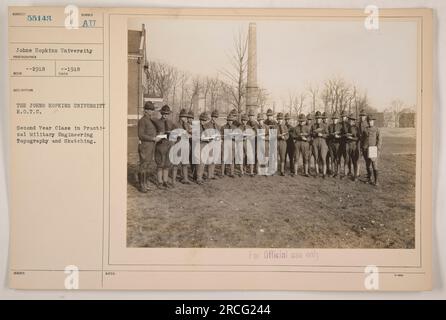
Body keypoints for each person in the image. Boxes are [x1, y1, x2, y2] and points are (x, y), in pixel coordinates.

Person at [153, 105, 176, 189]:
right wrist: (160, 134)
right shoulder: (157, 122)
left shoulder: (171, 123)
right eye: (164, 113)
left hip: (168, 145)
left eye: (167, 113)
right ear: (161, 113)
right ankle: (160, 182)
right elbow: (154, 134)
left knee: (167, 164)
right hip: (160, 145)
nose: (165, 115)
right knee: (160, 164)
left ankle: (165, 181)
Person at [137, 101, 158, 193]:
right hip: (145, 146)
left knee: (148, 165)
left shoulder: (150, 120)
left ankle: (145, 183)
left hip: (151, 146)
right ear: (145, 110)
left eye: (152, 110)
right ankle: (142, 185)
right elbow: (140, 135)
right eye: (149, 110)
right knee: (143, 165)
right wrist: (153, 138)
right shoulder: (142, 120)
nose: (151, 111)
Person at [172, 108, 192, 185]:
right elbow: (173, 136)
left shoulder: (187, 125)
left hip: (186, 145)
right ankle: (173, 181)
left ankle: (185, 179)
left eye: (186, 117)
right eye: (183, 117)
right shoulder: (175, 124)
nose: (185, 118)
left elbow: (191, 134)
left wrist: (190, 134)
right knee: (176, 163)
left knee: (185, 163)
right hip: (178, 145)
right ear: (180, 117)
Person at [361, 115, 382, 185]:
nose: (370, 122)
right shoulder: (365, 129)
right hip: (366, 149)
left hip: (373, 149)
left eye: (371, 121)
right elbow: (362, 139)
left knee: (374, 165)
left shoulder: (377, 129)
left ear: (373, 121)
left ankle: (376, 181)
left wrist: (377, 148)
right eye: (369, 121)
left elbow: (379, 140)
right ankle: (369, 179)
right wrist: (362, 148)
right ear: (367, 122)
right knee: (367, 165)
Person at [311, 111, 329, 178]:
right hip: (315, 141)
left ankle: (324, 173)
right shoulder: (313, 126)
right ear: (315, 118)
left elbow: (328, 135)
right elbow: (311, 134)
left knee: (323, 157)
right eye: (317, 118)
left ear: (321, 118)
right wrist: (315, 134)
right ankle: (317, 172)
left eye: (319, 118)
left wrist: (322, 135)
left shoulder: (324, 125)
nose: (318, 119)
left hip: (323, 141)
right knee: (316, 157)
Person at [196, 112, 211, 185]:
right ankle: (199, 178)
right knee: (200, 162)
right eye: (202, 120)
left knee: (203, 162)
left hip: (205, 145)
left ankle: (200, 176)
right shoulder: (197, 127)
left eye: (205, 120)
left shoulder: (206, 127)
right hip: (199, 145)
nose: (203, 121)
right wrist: (204, 138)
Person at [220, 113, 237, 177]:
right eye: (229, 120)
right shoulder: (223, 127)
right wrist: (226, 136)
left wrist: (233, 137)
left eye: (231, 120)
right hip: (225, 143)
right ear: (227, 120)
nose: (230, 121)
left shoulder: (235, 128)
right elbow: (220, 136)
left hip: (232, 144)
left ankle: (232, 173)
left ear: (232, 121)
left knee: (232, 159)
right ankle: (222, 173)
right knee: (223, 159)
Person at [328, 112, 343, 178]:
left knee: (337, 158)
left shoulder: (340, 126)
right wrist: (332, 134)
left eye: (336, 119)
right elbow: (328, 134)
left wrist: (339, 136)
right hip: (331, 144)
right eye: (333, 119)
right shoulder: (330, 126)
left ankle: (338, 172)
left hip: (338, 144)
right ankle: (332, 172)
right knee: (332, 158)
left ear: (337, 119)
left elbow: (343, 135)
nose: (334, 120)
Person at [345, 114, 360, 181]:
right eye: (350, 120)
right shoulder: (347, 127)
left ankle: (355, 176)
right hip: (347, 145)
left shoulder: (356, 128)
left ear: (354, 121)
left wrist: (352, 138)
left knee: (354, 161)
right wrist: (346, 136)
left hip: (354, 145)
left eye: (352, 120)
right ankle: (349, 173)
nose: (351, 121)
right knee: (348, 160)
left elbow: (358, 138)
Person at [207, 110, 221, 179]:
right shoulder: (207, 125)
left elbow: (219, 135)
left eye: (215, 117)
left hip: (216, 144)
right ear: (211, 117)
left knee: (214, 160)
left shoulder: (217, 126)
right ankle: (209, 175)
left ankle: (212, 174)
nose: (214, 118)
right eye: (213, 117)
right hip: (209, 144)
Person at [339, 110, 351, 178]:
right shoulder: (339, 124)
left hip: (346, 143)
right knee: (340, 158)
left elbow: (349, 133)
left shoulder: (348, 124)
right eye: (342, 117)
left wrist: (344, 135)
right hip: (339, 143)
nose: (343, 118)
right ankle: (341, 171)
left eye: (345, 117)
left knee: (347, 158)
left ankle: (347, 172)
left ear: (346, 117)